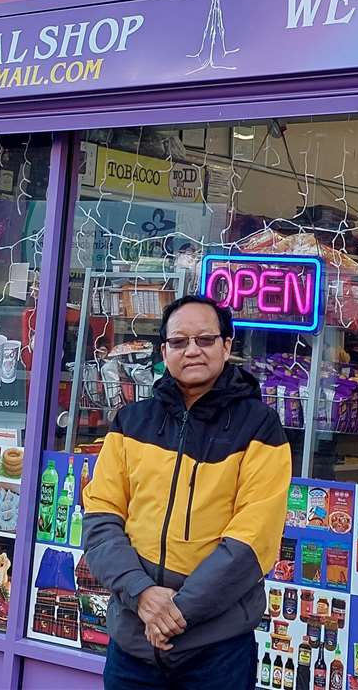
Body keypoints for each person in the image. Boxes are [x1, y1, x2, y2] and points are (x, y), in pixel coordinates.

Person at [82, 295, 292, 690]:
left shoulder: (260, 428)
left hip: (215, 653)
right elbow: (100, 519)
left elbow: (252, 540)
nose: (192, 350)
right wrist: (142, 595)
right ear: (164, 352)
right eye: (179, 342)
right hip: (132, 645)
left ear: (226, 346)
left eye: (205, 339)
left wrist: (175, 612)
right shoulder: (131, 422)